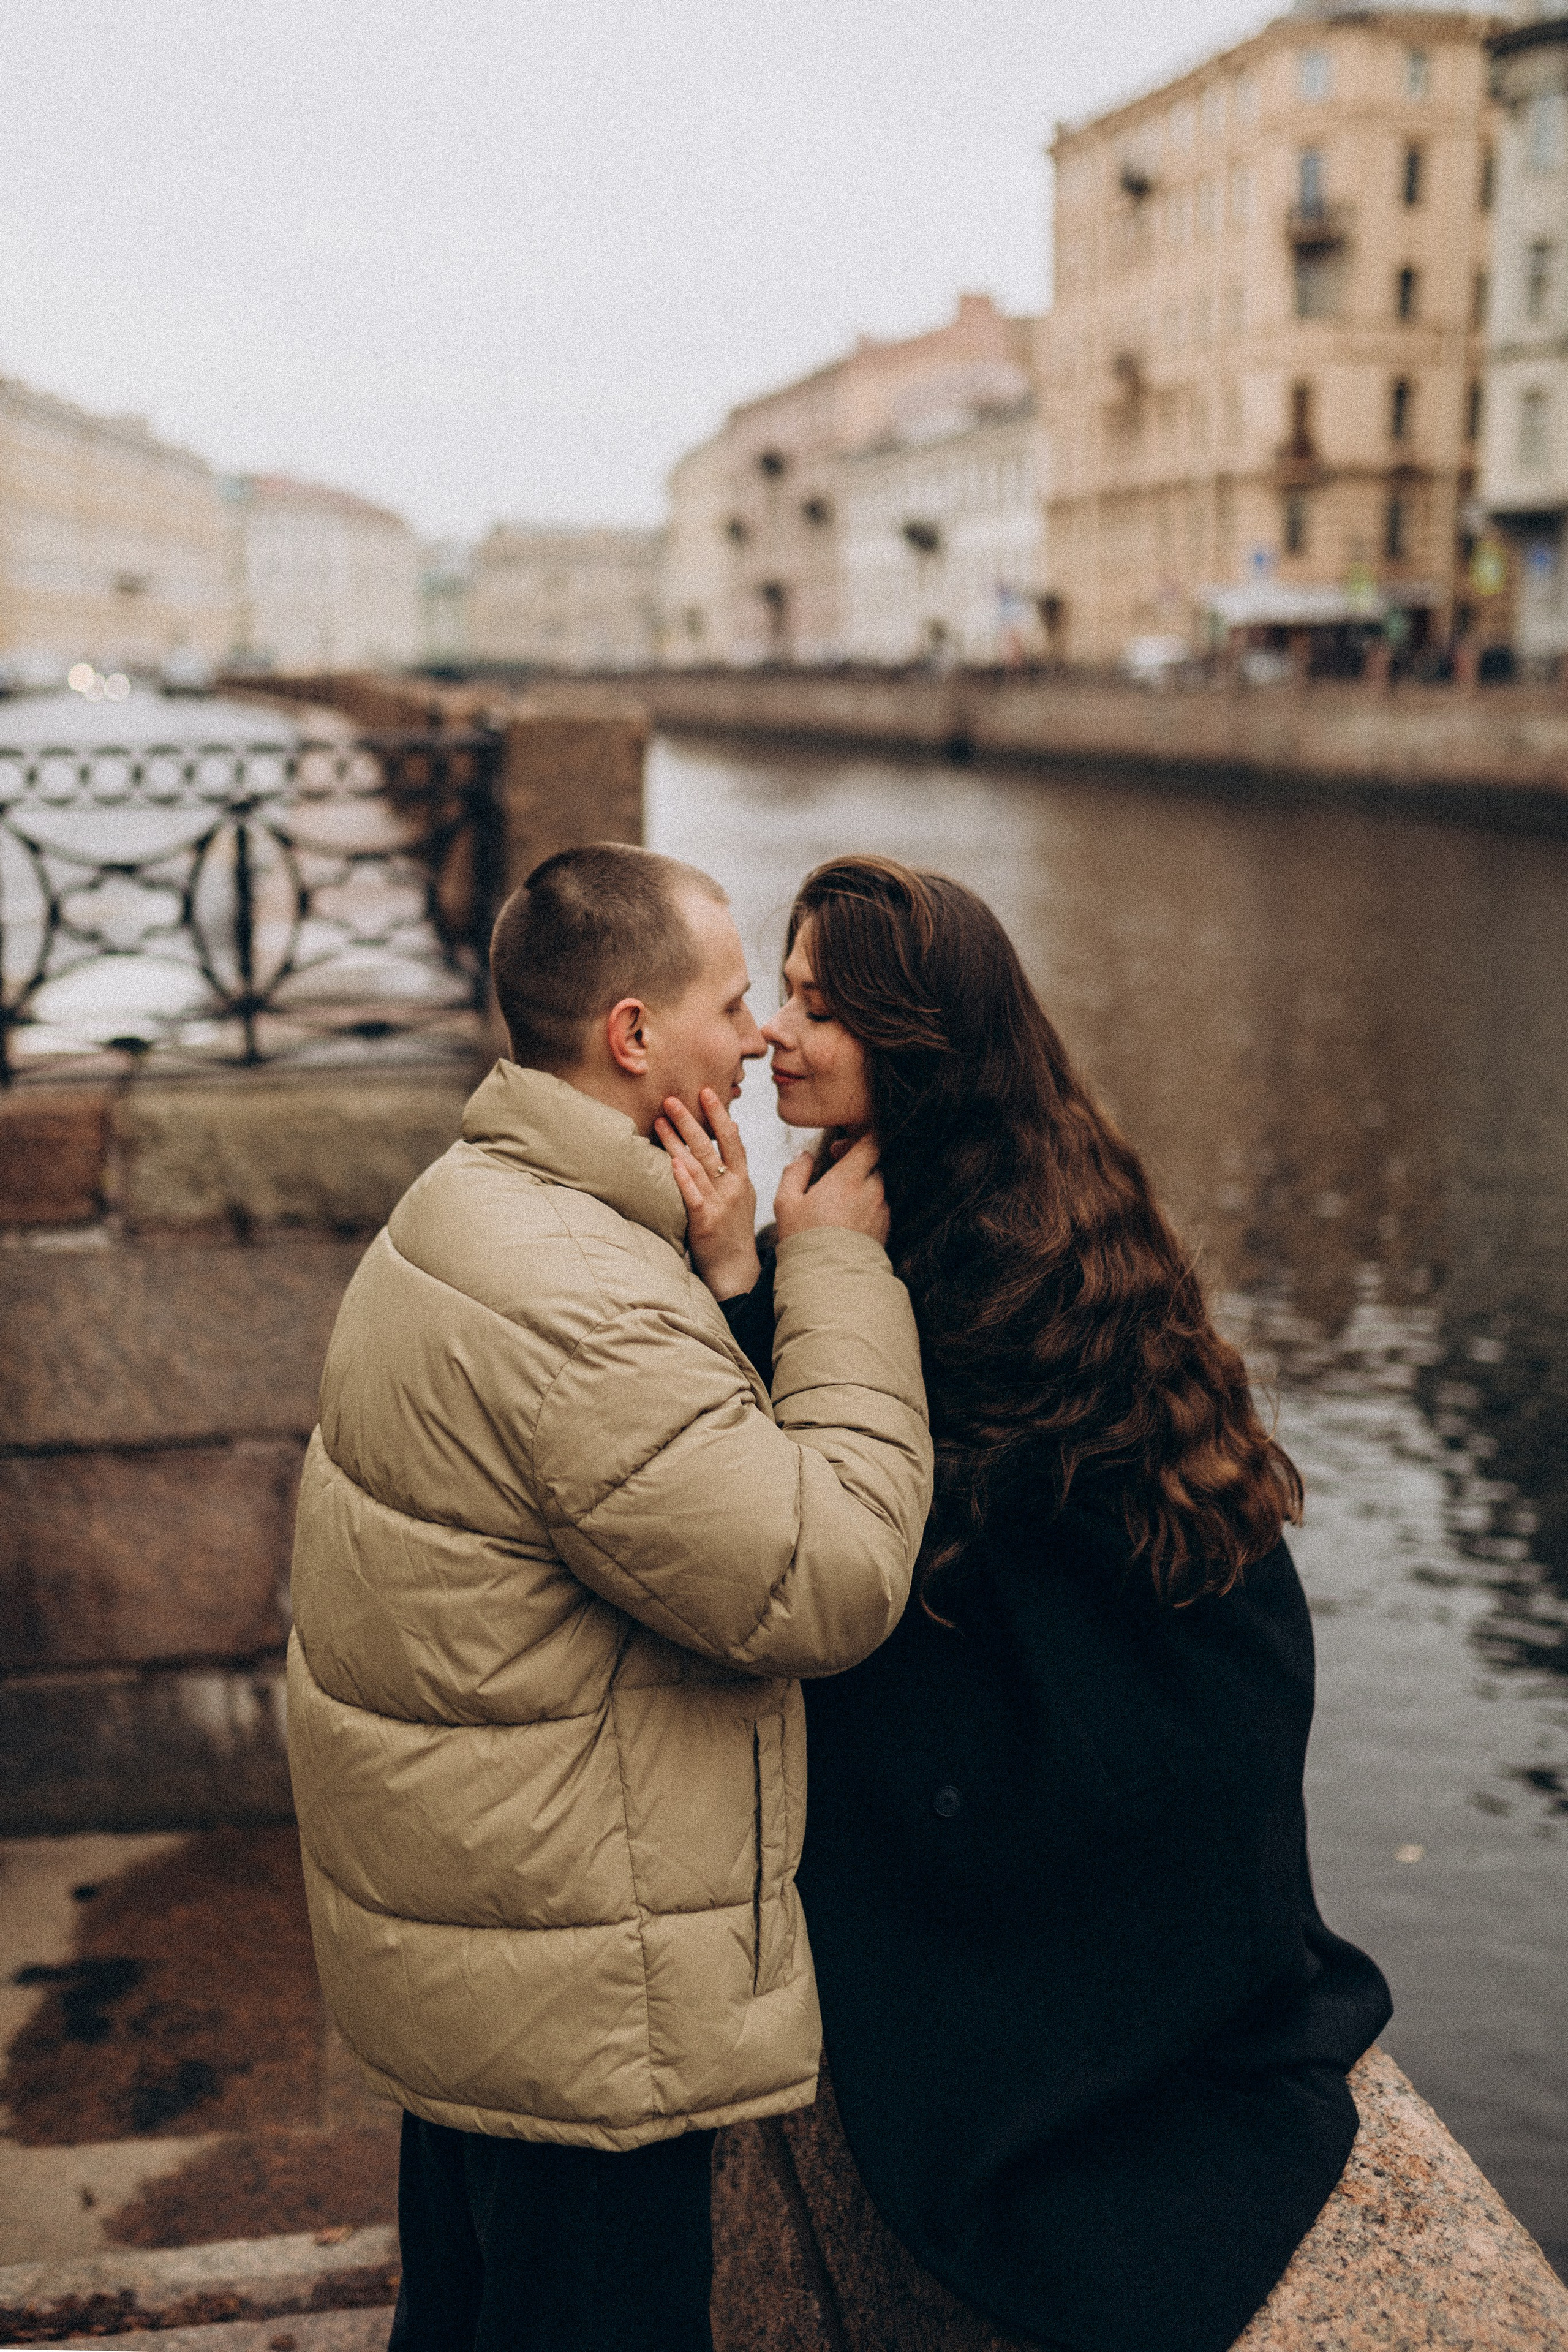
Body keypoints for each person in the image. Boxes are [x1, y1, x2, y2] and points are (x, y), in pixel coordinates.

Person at [664, 853, 1392, 2352]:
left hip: (1107, 1749)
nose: (775, 1035)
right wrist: (762, 1265)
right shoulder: (966, 1177)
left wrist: (758, 1281)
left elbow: (846, 1528)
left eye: (819, 1008)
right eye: (780, 993)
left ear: (915, 1046)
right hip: (1125, 1703)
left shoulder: (978, 1246)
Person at [286, 842, 932, 2352]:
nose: (762, 1039)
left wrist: (719, 1277)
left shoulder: (472, 1203)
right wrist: (833, 1276)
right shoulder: (581, 1302)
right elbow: (825, 1580)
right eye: (735, 1002)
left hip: (486, 1946)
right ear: (633, 1035)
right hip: (589, 1999)